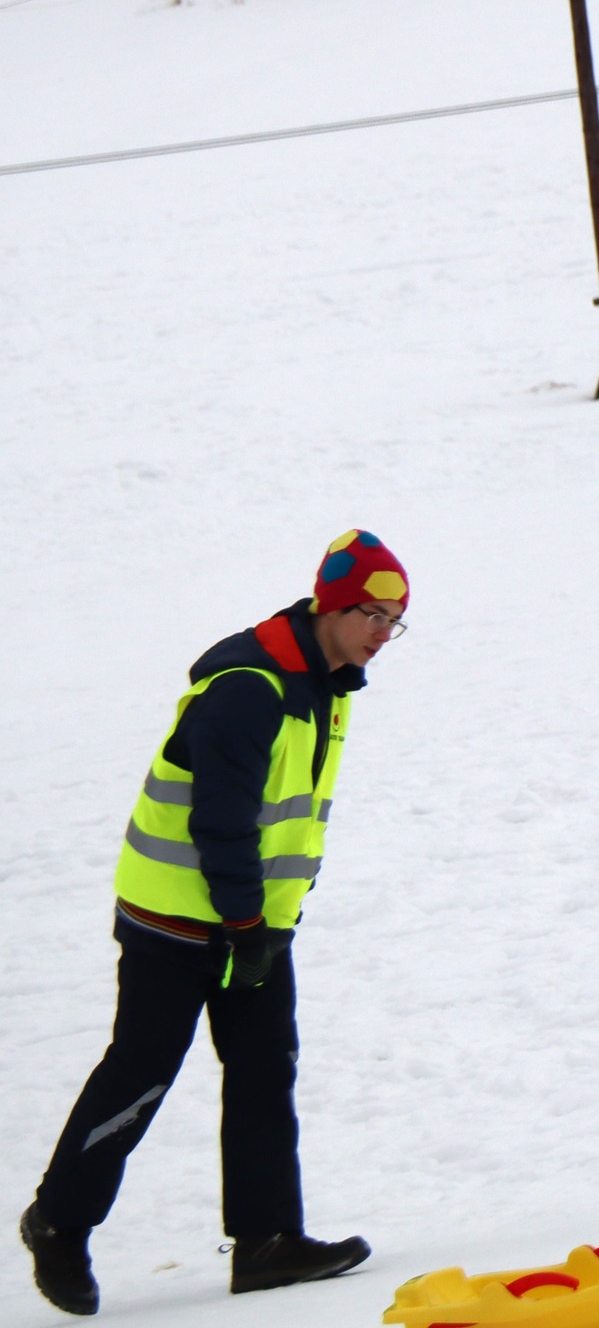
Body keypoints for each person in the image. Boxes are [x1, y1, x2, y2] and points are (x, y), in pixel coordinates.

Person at [19, 531, 409, 1315]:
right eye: (371, 611)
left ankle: (267, 1241)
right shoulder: (250, 689)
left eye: (394, 619)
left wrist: (264, 923)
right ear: (331, 604)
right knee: (141, 1072)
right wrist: (244, 920)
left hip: (253, 918)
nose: (381, 632)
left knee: (267, 1068)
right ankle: (58, 1222)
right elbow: (220, 819)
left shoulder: (325, 682)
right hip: (176, 918)